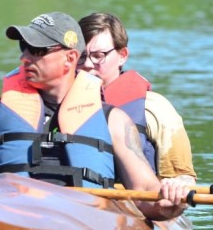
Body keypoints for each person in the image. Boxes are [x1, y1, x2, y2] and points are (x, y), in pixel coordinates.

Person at [0, 11, 191, 220]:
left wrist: (171, 201)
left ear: (71, 58)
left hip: (85, 224)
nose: (24, 57)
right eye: (23, 47)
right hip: (8, 218)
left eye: (38, 50)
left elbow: (147, 194)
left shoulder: (113, 121)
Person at [77, 12, 196, 190]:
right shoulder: (55, 104)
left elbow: (183, 177)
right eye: (80, 56)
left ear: (122, 55)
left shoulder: (154, 109)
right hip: (76, 203)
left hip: (138, 206)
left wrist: (176, 187)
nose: (87, 64)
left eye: (98, 55)